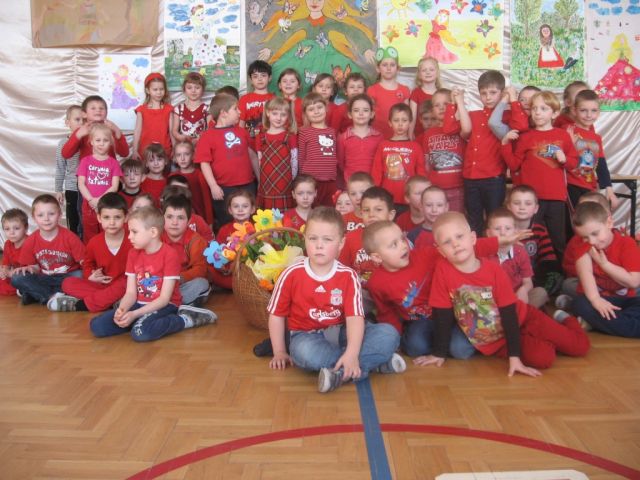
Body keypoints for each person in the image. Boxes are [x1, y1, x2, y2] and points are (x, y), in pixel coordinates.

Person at [419, 212, 590, 373]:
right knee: (544, 358)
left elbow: (509, 314)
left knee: (580, 347)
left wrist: (514, 357)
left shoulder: (493, 270)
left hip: (523, 318)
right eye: (447, 242)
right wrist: (438, 353)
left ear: (473, 238)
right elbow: (442, 315)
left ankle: (564, 319)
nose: (455, 244)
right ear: (440, 251)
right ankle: (536, 338)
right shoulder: (443, 271)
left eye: (459, 236)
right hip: (497, 341)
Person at [267, 206, 405, 393]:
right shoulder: (291, 274)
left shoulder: (348, 276)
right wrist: (279, 352)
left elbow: (355, 318)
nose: (319, 245)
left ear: (341, 243)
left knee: (388, 333)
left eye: (327, 239)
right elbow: (276, 315)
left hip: (343, 333)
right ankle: (372, 364)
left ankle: (341, 373)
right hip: (307, 337)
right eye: (313, 238)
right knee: (305, 353)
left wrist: (352, 352)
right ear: (305, 239)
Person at [89, 206, 216, 342]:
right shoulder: (133, 253)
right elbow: (131, 293)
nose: (129, 236)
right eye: (130, 231)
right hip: (139, 304)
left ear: (153, 232)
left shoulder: (169, 254)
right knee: (97, 326)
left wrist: (134, 314)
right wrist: (122, 310)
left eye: (134, 232)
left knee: (140, 332)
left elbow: (164, 299)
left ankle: (184, 319)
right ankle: (138, 321)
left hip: (165, 305)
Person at [364, 220, 478, 359]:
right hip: (421, 322)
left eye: (402, 239)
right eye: (394, 245)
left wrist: (497, 242)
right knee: (415, 347)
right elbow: (387, 313)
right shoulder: (376, 283)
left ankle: (445, 345)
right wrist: (394, 340)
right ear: (377, 257)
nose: (403, 246)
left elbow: (461, 250)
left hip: (450, 314)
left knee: (460, 351)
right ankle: (439, 344)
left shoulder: (425, 255)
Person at [443, 70, 528, 234]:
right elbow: (448, 129)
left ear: (501, 93)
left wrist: (512, 99)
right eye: (483, 93)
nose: (488, 97)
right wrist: (453, 103)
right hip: (470, 178)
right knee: (473, 220)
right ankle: (477, 248)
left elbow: (522, 126)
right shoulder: (474, 115)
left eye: (493, 93)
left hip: (493, 178)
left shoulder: (506, 115)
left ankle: (495, 248)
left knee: (494, 219)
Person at [502, 91, 579, 258]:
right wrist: (505, 143)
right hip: (531, 200)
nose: (537, 112)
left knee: (557, 240)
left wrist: (564, 159)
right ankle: (529, 270)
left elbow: (573, 164)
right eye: (534, 108)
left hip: (556, 197)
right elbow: (514, 165)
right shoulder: (525, 137)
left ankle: (559, 271)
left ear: (555, 113)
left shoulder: (562, 135)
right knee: (530, 239)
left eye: (543, 108)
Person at [569, 202, 640, 338]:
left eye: (595, 234)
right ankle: (624, 324)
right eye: (585, 237)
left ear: (609, 223)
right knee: (580, 304)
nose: (591, 241)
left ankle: (597, 323)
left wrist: (605, 265)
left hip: (625, 300)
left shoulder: (627, 243)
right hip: (598, 299)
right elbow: (586, 273)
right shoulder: (582, 245)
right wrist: (596, 300)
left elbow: (634, 282)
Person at [53, 193, 131, 312]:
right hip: (102, 285)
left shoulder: (133, 240)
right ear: (99, 218)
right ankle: (113, 302)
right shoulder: (94, 242)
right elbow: (88, 264)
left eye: (117, 217)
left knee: (126, 284)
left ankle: (82, 305)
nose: (112, 222)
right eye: (106, 217)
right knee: (67, 283)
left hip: (126, 286)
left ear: (126, 217)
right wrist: (90, 276)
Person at [195, 93, 256, 227]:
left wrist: (260, 178)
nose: (239, 112)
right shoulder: (207, 136)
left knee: (250, 222)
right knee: (227, 223)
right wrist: (213, 186)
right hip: (223, 188)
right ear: (223, 113)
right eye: (235, 109)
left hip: (247, 185)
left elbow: (252, 156)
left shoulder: (242, 132)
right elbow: (204, 163)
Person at [11, 194, 84, 305]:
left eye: (51, 214)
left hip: (68, 277)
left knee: (81, 275)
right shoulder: (31, 241)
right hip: (44, 277)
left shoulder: (70, 237)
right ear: (34, 218)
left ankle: (35, 294)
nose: (46, 219)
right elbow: (35, 268)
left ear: (59, 215)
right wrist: (30, 268)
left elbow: (84, 262)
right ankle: (52, 296)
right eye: (40, 215)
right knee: (17, 278)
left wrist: (91, 275)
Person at [339, 187, 396, 310]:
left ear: (391, 215)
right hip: (360, 294)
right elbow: (342, 272)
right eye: (366, 210)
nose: (371, 215)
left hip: (390, 296)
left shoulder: (398, 239)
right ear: (361, 213)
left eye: (378, 210)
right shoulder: (350, 238)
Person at [484, 207, 549, 308]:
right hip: (494, 299)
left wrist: (524, 289)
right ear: (488, 233)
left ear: (515, 232)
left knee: (540, 293)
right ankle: (518, 314)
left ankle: (518, 313)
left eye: (508, 228)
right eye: (497, 229)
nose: (503, 233)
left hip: (517, 296)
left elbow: (528, 282)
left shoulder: (521, 251)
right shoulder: (484, 254)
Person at [505, 185, 563, 297]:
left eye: (528, 204)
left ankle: (533, 298)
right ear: (508, 206)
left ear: (536, 209)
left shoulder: (540, 230)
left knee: (555, 277)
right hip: (510, 275)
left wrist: (534, 275)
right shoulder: (502, 230)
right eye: (517, 203)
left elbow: (548, 259)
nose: (522, 207)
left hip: (533, 276)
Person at [565, 89, 618, 209]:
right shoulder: (567, 130)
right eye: (583, 110)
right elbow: (559, 158)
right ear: (574, 110)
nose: (589, 115)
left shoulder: (596, 138)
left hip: (589, 187)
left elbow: (601, 165)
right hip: (570, 186)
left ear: (599, 112)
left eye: (593, 111)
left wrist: (609, 190)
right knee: (575, 218)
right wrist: (570, 144)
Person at [371, 103, 426, 211]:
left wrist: (421, 195)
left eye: (404, 120)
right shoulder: (383, 145)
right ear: (390, 123)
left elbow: (421, 174)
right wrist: (375, 195)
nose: (400, 124)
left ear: (410, 123)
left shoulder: (416, 147)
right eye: (396, 120)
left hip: (409, 199)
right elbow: (376, 172)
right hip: (386, 199)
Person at [420, 88, 467, 212]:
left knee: (455, 219)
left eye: (446, 104)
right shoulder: (429, 133)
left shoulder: (460, 128)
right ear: (432, 110)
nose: (441, 108)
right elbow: (426, 162)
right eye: (437, 105)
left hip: (457, 187)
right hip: (436, 189)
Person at [161, 195, 211, 307]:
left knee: (202, 284)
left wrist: (178, 278)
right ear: (162, 218)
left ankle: (170, 304)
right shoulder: (156, 238)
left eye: (180, 218)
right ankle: (170, 304)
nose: (174, 222)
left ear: (189, 221)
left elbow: (200, 269)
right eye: (169, 217)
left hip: (182, 284)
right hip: (160, 284)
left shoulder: (196, 240)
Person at [77, 123, 123, 243]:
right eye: (98, 140)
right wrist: (91, 200)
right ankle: (90, 255)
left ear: (110, 143)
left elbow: (114, 186)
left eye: (105, 140)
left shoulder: (113, 163)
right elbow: (81, 184)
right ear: (91, 141)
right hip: (89, 205)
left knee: (108, 234)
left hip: (106, 205)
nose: (101, 143)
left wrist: (99, 200)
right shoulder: (85, 161)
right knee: (89, 236)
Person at [256, 97, 298, 210]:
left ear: (288, 116)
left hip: (285, 183)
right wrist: (261, 180)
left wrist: (292, 179)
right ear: (268, 113)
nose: (278, 118)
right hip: (266, 183)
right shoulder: (261, 137)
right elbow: (259, 162)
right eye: (275, 113)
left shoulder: (290, 137)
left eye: (283, 115)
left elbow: (294, 160)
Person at [61, 95, 129, 164]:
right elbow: (66, 154)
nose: (98, 110)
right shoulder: (81, 131)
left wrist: (117, 131)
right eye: (93, 108)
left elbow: (124, 153)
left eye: (101, 108)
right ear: (84, 114)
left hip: (109, 169)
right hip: (87, 170)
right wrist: (78, 135)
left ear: (106, 113)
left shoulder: (111, 129)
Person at [297, 93, 338, 206]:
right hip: (311, 181)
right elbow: (301, 157)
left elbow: (335, 156)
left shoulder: (332, 131)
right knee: (311, 209)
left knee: (329, 210)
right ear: (306, 114)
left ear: (326, 108)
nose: (316, 112)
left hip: (330, 180)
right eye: (311, 109)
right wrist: (303, 178)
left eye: (319, 107)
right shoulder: (304, 132)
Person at [212, 190, 257, 291]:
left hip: (252, 269)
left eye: (245, 206)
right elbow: (217, 253)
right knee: (209, 271)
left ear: (252, 209)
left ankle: (243, 285)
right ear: (230, 210)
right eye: (236, 206)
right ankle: (239, 285)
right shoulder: (224, 230)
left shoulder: (257, 228)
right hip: (231, 271)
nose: (240, 210)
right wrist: (222, 267)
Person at [336, 94, 382, 185]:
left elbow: (380, 164)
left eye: (365, 110)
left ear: (372, 114)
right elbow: (341, 163)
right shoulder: (343, 138)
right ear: (350, 114)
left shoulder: (379, 137)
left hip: (372, 185)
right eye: (356, 110)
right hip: (351, 185)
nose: (361, 113)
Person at [367, 46, 410, 139]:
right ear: (378, 68)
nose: (389, 68)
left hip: (399, 137)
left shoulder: (404, 90)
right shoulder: (372, 90)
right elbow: (368, 115)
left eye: (392, 65)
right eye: (385, 65)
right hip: (376, 137)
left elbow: (407, 115)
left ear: (398, 68)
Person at [54, 105, 83, 236]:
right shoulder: (63, 143)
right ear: (67, 122)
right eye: (77, 119)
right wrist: (58, 189)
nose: (81, 123)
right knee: (74, 222)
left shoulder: (91, 141)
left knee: (87, 223)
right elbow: (60, 167)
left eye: (84, 120)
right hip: (72, 189)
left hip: (90, 189)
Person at [169, 141, 213, 224]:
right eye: (178, 155)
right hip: (179, 219)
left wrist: (210, 223)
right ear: (175, 158)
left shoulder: (199, 175)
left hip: (199, 218)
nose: (182, 158)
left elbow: (207, 201)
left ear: (193, 155)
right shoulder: (172, 176)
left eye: (186, 154)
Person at [133, 72, 173, 159]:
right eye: (155, 89)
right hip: (145, 152)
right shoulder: (141, 110)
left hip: (164, 151)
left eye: (161, 89)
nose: (159, 92)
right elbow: (137, 131)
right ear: (148, 90)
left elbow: (171, 131)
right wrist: (134, 150)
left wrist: (175, 149)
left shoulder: (169, 109)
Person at [239, 60, 275, 149]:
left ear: (270, 78)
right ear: (250, 79)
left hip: (270, 143)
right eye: (255, 76)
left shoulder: (275, 99)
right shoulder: (244, 99)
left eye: (263, 75)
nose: (259, 79)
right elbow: (241, 123)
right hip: (249, 144)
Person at [171, 72, 208, 144]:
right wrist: (181, 137)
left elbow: (209, 129)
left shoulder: (207, 109)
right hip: (184, 145)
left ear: (203, 90)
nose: (193, 91)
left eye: (197, 88)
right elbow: (174, 131)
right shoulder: (179, 109)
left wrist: (199, 139)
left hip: (201, 144)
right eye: (189, 88)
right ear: (184, 90)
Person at [410, 57, 440, 138]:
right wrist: (410, 135)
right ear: (419, 74)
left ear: (437, 73)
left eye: (431, 69)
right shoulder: (416, 93)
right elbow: (412, 118)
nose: (428, 72)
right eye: (424, 70)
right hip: (419, 135)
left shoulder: (441, 94)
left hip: (437, 136)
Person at [0, 209, 28, 296]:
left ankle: (23, 290)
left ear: (26, 228)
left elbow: (32, 269)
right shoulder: (7, 244)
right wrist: (4, 271)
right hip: (12, 274)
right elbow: (6, 264)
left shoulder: (30, 243)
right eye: (7, 229)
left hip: (26, 274)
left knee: (20, 279)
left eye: (16, 228)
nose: (11, 232)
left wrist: (11, 273)